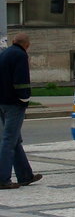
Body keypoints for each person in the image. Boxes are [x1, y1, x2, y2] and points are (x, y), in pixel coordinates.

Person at [0, 33, 41, 189]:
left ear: (13, 41)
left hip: (2, 101)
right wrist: (25, 99)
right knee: (9, 140)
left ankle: (25, 175)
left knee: (14, 139)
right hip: (14, 103)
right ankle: (3, 179)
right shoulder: (20, 55)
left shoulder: (4, 53)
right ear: (27, 45)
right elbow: (21, 82)